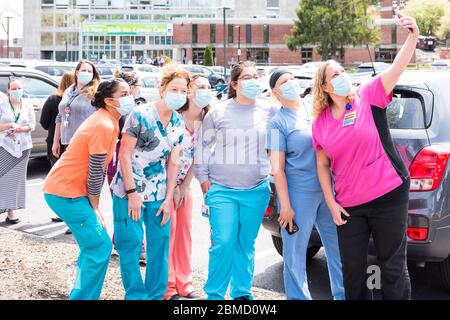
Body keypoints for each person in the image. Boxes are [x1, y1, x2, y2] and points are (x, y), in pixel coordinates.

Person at [311, 13, 419, 300]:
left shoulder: (369, 93)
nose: (343, 76)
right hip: (350, 207)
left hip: (389, 195)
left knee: (392, 269)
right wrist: (331, 202)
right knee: (353, 273)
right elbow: (322, 164)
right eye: (335, 75)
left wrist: (413, 36)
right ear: (324, 87)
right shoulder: (320, 122)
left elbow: (397, 68)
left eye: (342, 71)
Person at [194, 61, 278, 300]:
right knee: (223, 242)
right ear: (234, 84)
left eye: (255, 76)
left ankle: (242, 293)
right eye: (246, 77)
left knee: (245, 243)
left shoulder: (269, 110)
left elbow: (277, 148)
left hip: (257, 190)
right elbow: (201, 147)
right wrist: (203, 180)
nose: (252, 80)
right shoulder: (218, 112)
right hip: (222, 189)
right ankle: (215, 295)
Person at [43, 79, 132, 300]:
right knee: (100, 247)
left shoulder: (108, 120)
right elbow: (95, 173)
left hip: (69, 191)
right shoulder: (104, 125)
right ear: (110, 101)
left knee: (92, 247)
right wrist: (95, 207)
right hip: (66, 193)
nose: (131, 97)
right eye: (125, 94)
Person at [111, 63, 188, 300]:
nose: (179, 94)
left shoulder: (178, 122)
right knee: (130, 245)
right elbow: (124, 154)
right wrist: (132, 193)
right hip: (129, 190)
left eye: (184, 91)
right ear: (162, 88)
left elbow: (174, 162)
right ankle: (135, 295)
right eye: (174, 88)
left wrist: (169, 199)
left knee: (160, 246)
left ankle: (155, 295)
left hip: (159, 193)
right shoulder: (140, 114)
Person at [266, 70, 345, 300]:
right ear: (275, 93)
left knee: (337, 249)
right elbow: (277, 168)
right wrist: (286, 206)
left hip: (327, 192)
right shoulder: (277, 123)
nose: (290, 83)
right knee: (295, 255)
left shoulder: (314, 110)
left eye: (292, 78)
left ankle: (342, 294)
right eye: (284, 82)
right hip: (298, 195)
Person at [163, 75, 211, 300]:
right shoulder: (174, 118)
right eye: (201, 86)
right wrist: (172, 187)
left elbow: (198, 158)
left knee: (184, 233)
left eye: (209, 87)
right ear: (190, 91)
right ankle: (168, 287)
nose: (206, 90)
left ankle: (185, 282)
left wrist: (184, 186)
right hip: (164, 184)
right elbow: (165, 156)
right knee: (168, 234)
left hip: (185, 185)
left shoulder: (207, 119)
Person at [50, 60, 100, 226]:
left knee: (81, 183)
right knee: (69, 182)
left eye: (90, 71)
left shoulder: (93, 92)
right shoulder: (69, 91)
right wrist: (56, 140)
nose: (87, 73)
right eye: (84, 70)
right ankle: (73, 218)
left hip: (84, 144)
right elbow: (60, 116)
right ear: (77, 72)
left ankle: (84, 220)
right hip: (67, 142)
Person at [107, 70, 146, 263]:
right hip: (122, 161)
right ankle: (133, 246)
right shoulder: (129, 110)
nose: (139, 89)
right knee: (126, 205)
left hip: (119, 159)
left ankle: (121, 242)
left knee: (123, 206)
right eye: (138, 85)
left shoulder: (127, 108)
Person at [0, 78, 36, 224]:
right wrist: (10, 125)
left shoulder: (27, 104)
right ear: (8, 90)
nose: (16, 91)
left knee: (16, 180)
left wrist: (20, 129)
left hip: (23, 146)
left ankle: (11, 211)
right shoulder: (2, 104)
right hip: (5, 145)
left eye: (19, 88)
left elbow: (32, 125)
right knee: (3, 178)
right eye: (13, 89)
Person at [40, 71, 75, 167]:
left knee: (57, 174)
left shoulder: (53, 100)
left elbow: (44, 122)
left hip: (55, 143)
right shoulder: (79, 101)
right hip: (73, 141)